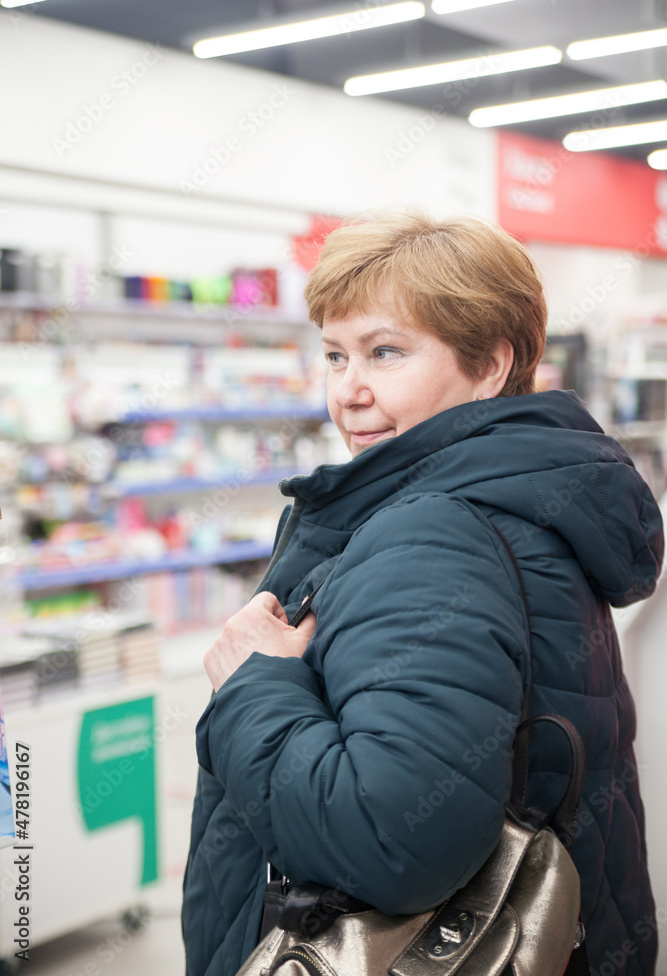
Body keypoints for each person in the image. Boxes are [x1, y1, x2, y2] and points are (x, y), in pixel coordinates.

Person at [181, 211, 663, 976]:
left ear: (490, 365)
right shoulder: (514, 499)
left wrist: (254, 684)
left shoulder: (431, 536)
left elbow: (391, 841)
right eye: (335, 356)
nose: (350, 391)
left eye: (386, 353)